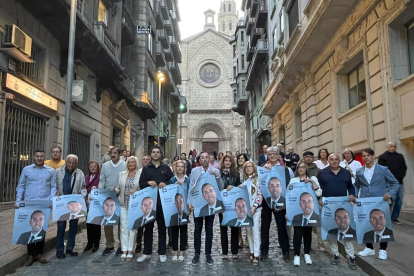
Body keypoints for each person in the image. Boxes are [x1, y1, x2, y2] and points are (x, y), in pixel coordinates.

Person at [355, 148, 399, 261]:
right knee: (366, 223)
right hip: (365, 201)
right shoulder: (360, 171)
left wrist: (389, 194)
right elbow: (356, 185)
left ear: (373, 156)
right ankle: (369, 247)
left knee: (383, 224)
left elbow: (395, 183)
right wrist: (354, 195)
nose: (366, 158)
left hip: (380, 201)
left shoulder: (382, 169)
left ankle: (383, 249)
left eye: (368, 155)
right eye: (364, 156)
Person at [16, 150, 56, 266]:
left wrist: (51, 200)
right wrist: (19, 201)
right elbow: (21, 185)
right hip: (29, 202)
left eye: (41, 156)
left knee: (41, 228)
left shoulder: (50, 171)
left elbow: (53, 186)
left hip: (44, 203)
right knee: (30, 228)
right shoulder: (26, 170)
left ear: (44, 157)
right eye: (37, 156)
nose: (39, 158)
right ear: (34, 157)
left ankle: (39, 253)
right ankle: (31, 254)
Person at [317, 153, 357, 269]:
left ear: (340, 161)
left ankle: (351, 256)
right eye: (332, 159)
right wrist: (319, 198)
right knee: (331, 230)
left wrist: (352, 195)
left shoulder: (345, 173)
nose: (334, 161)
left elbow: (350, 186)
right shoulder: (322, 173)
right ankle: (335, 254)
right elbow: (318, 188)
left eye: (336, 159)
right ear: (328, 161)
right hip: (328, 206)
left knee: (347, 230)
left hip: (343, 205)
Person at [137, 146, 174, 263]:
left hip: (162, 203)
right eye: (153, 152)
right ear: (151, 154)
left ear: (160, 154)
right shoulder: (146, 169)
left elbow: (172, 181)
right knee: (148, 229)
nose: (156, 154)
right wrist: (148, 182)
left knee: (162, 229)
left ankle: (162, 252)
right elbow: (141, 183)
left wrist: (166, 183)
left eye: (157, 152)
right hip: (149, 204)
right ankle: (147, 252)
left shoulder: (166, 168)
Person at [187, 151, 224, 265]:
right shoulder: (194, 171)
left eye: (206, 157)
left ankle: (208, 254)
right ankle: (196, 254)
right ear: (199, 160)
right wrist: (189, 202)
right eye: (202, 158)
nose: (204, 159)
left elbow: (221, 187)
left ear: (210, 159)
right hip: (198, 205)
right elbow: (191, 187)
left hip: (210, 205)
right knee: (197, 230)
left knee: (209, 230)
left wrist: (217, 177)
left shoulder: (215, 171)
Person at [261, 146, 292, 262]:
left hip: (280, 202)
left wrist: (284, 203)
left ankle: (286, 251)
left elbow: (288, 186)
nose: (272, 156)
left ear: (279, 155)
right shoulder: (263, 168)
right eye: (270, 154)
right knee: (265, 227)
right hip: (266, 201)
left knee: (281, 227)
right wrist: (263, 171)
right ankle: (264, 251)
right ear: (267, 156)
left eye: (274, 154)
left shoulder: (285, 169)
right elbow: (260, 185)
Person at [289, 161, 322, 266]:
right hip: (297, 209)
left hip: (310, 210)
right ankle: (297, 255)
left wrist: (312, 182)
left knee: (308, 233)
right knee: (297, 233)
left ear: (306, 168)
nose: (301, 169)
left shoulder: (313, 179)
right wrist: (288, 212)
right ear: (297, 169)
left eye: (303, 167)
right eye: (299, 167)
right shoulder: (293, 180)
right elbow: (289, 196)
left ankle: (307, 253)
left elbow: (319, 193)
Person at [55, 154, 87, 259]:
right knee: (61, 227)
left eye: (73, 163)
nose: (71, 164)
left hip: (75, 204)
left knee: (73, 227)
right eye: (69, 162)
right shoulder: (58, 172)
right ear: (66, 161)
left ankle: (70, 248)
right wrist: (55, 194)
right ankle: (59, 249)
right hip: (62, 203)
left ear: (76, 163)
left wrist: (82, 196)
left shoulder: (80, 173)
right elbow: (54, 185)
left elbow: (83, 187)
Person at [98, 147, 126, 256]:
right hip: (108, 196)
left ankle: (121, 245)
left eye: (115, 153)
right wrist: (101, 192)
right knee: (108, 221)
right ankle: (109, 245)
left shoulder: (124, 165)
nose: (113, 155)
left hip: (121, 195)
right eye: (111, 153)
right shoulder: (105, 165)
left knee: (120, 221)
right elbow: (102, 180)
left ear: (119, 154)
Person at [115, 156, 140, 261]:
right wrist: (113, 190)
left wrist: (136, 192)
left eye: (133, 162)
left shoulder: (140, 174)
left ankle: (131, 249)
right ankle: (124, 249)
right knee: (123, 228)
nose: (131, 164)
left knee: (133, 228)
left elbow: (142, 189)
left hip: (134, 205)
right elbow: (118, 188)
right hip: (123, 204)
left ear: (136, 163)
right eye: (129, 162)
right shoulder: (122, 174)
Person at [378, 142, 407, 224]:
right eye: (391, 146)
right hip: (388, 183)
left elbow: (404, 168)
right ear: (387, 147)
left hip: (399, 182)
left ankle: (394, 217)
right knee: (389, 200)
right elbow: (380, 170)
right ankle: (385, 217)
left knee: (399, 200)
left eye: (394, 146)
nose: (393, 148)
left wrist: (401, 176)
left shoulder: (400, 156)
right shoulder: (383, 157)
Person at [239, 161, 262, 265]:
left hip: (256, 209)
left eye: (250, 166)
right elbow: (242, 191)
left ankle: (257, 254)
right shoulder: (245, 180)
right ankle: (251, 252)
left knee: (255, 230)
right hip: (247, 210)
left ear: (254, 168)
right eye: (246, 167)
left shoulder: (258, 179)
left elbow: (260, 195)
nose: (248, 168)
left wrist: (255, 206)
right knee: (248, 231)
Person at [218, 155, 241, 261]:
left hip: (233, 204)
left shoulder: (236, 174)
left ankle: (235, 251)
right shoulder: (219, 174)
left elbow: (240, 187)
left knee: (234, 228)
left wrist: (234, 188)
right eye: (226, 160)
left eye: (229, 161)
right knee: (223, 228)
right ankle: (224, 252)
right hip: (223, 204)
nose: (227, 162)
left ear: (232, 163)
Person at [170, 160, 190, 262]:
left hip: (184, 209)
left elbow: (190, 193)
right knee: (174, 231)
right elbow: (168, 194)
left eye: (182, 166)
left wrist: (189, 207)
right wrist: (174, 185)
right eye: (178, 166)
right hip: (174, 209)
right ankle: (175, 251)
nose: (180, 168)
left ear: (184, 168)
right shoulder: (172, 179)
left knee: (183, 230)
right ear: (175, 168)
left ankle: (181, 251)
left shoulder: (188, 180)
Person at [84, 161, 101, 253]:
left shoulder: (100, 177)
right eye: (91, 166)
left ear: (97, 167)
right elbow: (83, 188)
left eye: (95, 166)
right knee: (89, 224)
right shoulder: (86, 178)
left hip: (96, 204)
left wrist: (97, 187)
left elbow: (102, 188)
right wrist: (85, 198)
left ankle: (96, 243)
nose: (93, 168)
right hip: (87, 203)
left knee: (96, 224)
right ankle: (89, 242)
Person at [135, 155, 151, 253]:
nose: (145, 161)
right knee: (139, 224)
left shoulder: (151, 171)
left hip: (149, 200)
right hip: (139, 200)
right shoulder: (138, 172)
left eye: (147, 160)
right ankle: (138, 243)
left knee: (148, 223)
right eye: (143, 159)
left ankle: (147, 245)